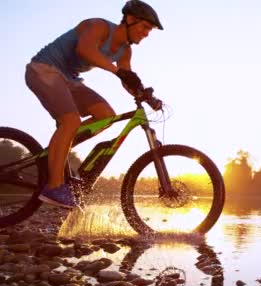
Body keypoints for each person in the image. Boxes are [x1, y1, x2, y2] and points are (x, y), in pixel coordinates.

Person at [25, 0, 163, 208]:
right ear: (130, 19)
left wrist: (143, 93)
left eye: (149, 30)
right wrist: (118, 72)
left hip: (70, 80)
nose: (146, 33)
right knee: (71, 121)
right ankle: (54, 186)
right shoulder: (98, 26)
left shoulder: (125, 51)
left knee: (106, 116)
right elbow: (85, 50)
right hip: (44, 69)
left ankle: (59, 146)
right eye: (144, 27)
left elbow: (126, 76)